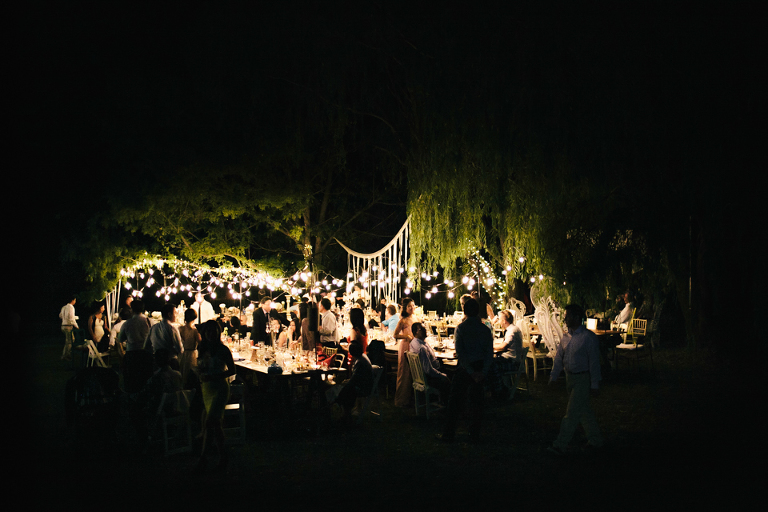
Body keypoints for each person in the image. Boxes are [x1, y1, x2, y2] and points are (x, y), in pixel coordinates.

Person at [547, 304, 604, 456]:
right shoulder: (566, 337)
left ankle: (560, 444)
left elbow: (594, 362)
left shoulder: (588, 338)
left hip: (582, 378)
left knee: (571, 413)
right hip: (569, 378)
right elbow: (559, 357)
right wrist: (554, 376)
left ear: (576, 317)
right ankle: (596, 440)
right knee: (584, 411)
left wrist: (594, 384)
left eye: (567, 315)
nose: (565, 318)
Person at [438, 297, 493, 443]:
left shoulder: (461, 328)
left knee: (454, 401)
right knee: (477, 403)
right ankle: (474, 433)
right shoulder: (485, 330)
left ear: (465, 311)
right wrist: (483, 372)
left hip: (465, 369)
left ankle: (449, 433)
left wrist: (470, 371)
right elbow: (489, 353)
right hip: (480, 367)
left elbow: (460, 353)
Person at [195, 320, 236, 472]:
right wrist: (200, 373)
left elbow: (232, 370)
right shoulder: (202, 348)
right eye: (209, 332)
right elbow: (200, 366)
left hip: (220, 388)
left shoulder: (223, 350)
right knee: (215, 425)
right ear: (205, 333)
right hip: (207, 389)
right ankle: (222, 457)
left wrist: (216, 376)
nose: (211, 335)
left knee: (210, 422)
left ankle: (203, 458)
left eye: (214, 332)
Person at [329, 341, 373, 423]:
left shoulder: (360, 362)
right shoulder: (362, 357)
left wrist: (345, 384)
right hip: (365, 383)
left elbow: (354, 380)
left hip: (363, 387)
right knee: (346, 388)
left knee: (346, 390)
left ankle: (345, 414)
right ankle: (345, 413)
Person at [409, 322, 451, 399]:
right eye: (422, 329)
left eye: (425, 328)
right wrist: (442, 375)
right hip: (429, 378)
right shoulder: (422, 348)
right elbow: (429, 370)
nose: (425, 330)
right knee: (451, 374)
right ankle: (447, 403)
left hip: (421, 376)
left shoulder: (413, 343)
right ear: (416, 332)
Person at [489, 309, 523, 397]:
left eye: (500, 320)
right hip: (510, 359)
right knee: (491, 362)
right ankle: (501, 388)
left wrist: (489, 347)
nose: (499, 322)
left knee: (492, 365)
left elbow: (504, 346)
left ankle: (500, 391)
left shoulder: (512, 331)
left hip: (512, 362)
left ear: (504, 321)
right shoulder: (512, 329)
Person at [393, 297, 415, 407]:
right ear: (405, 308)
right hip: (406, 346)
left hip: (414, 346)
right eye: (409, 306)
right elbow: (395, 335)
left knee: (412, 372)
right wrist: (405, 336)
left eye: (413, 305)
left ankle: (411, 399)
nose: (412, 308)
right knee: (404, 372)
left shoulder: (416, 319)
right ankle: (401, 400)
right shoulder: (403, 320)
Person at [148, 303, 184, 369]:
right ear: (169, 315)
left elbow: (147, 346)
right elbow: (180, 349)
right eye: (175, 313)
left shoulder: (153, 327)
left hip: (157, 361)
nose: (177, 315)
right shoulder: (172, 329)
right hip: (171, 361)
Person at [178, 308, 201, 388]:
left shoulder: (180, 329)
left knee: (183, 374)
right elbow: (200, 343)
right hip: (192, 355)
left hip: (182, 354)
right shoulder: (194, 331)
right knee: (191, 375)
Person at [59, 296, 78, 361]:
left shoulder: (64, 307)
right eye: (75, 300)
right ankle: (66, 355)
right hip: (68, 326)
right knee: (70, 341)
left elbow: (60, 315)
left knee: (68, 341)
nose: (75, 301)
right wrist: (76, 326)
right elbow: (71, 318)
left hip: (63, 325)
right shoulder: (71, 307)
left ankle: (65, 354)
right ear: (72, 300)